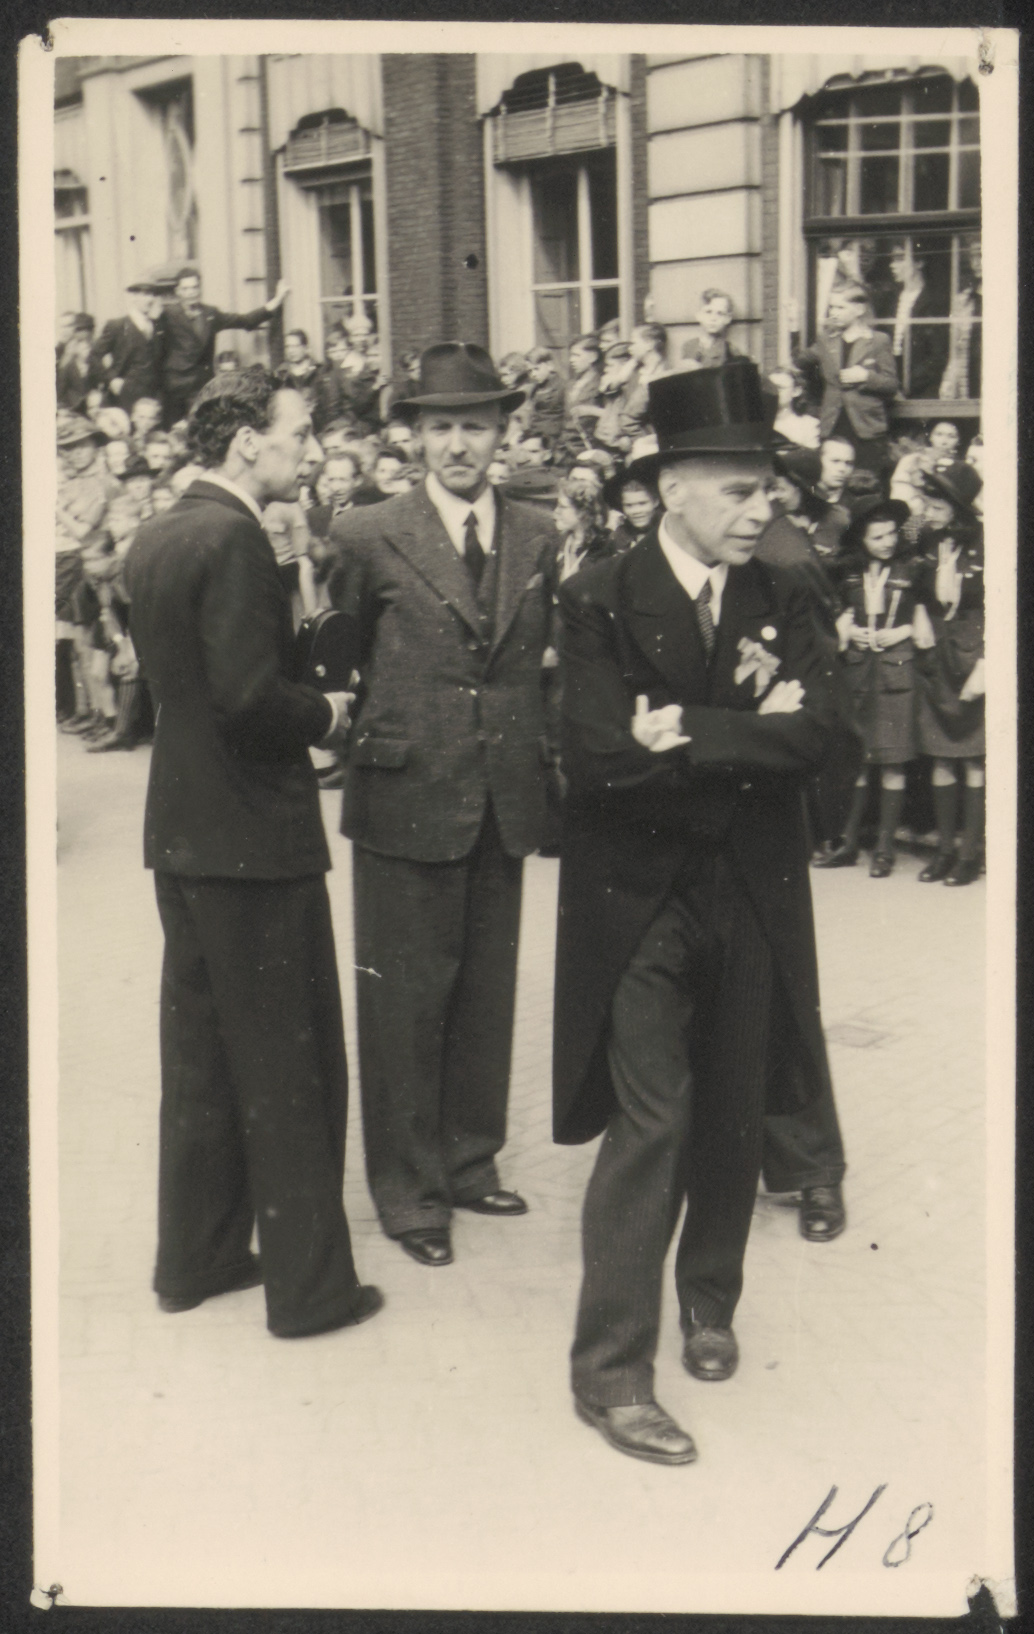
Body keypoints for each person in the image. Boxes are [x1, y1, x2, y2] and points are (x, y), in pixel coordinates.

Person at [552, 361, 858, 1464]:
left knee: (732, 1109)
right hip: (636, 904)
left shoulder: (784, 588)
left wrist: (685, 726)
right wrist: (750, 729)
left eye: (767, 487)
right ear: (671, 487)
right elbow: (595, 758)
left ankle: (709, 1303)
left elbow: (824, 735)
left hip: (752, 891)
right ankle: (610, 1374)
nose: (761, 507)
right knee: (654, 1123)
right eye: (739, 489)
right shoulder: (596, 595)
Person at [123, 365, 381, 1339]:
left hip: (182, 830)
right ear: (246, 442)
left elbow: (188, 688)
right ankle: (311, 1293)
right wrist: (328, 713)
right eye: (299, 432)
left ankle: (194, 1259)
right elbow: (247, 698)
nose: (309, 450)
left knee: (199, 1059)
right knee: (288, 1064)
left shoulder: (160, 529)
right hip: (254, 838)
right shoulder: (234, 536)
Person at [329, 342, 558, 1268]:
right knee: (404, 1006)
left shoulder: (539, 532)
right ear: (415, 438)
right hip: (404, 795)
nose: (458, 444)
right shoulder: (366, 532)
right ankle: (409, 1193)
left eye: (475, 426)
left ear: (503, 433)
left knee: (484, 994)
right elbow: (341, 657)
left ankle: (469, 1161)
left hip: (502, 797)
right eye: (441, 428)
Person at [815, 496, 919, 878]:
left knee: (893, 761)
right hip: (859, 671)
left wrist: (903, 631)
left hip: (894, 672)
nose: (888, 542)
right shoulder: (847, 573)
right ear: (861, 540)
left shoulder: (913, 568)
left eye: (891, 533)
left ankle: (885, 849)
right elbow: (834, 614)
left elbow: (929, 617)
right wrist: (849, 629)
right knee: (857, 759)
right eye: (877, 537)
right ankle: (848, 842)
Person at [912, 462, 986, 885]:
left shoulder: (987, 541)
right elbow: (917, 587)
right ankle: (944, 851)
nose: (928, 512)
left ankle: (969, 855)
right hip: (937, 651)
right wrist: (920, 612)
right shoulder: (927, 538)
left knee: (973, 758)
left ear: (957, 509)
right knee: (940, 754)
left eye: (936, 506)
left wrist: (988, 663)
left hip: (974, 652)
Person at [156, 266, 290, 427]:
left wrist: (278, 299)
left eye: (195, 287)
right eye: (185, 289)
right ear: (178, 291)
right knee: (173, 431)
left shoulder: (210, 314)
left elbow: (245, 320)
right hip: (174, 388)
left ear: (200, 289)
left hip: (200, 387)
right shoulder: (167, 315)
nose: (191, 292)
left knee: (200, 428)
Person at [794, 282, 899, 475]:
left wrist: (866, 376)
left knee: (866, 479)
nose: (834, 312)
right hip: (833, 425)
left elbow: (891, 384)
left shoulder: (878, 341)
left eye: (840, 307)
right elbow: (800, 361)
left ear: (859, 309)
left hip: (866, 428)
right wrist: (794, 328)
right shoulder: (826, 340)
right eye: (831, 307)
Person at [88, 275, 165, 411]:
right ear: (134, 297)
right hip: (125, 394)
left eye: (152, 295)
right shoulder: (117, 326)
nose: (150, 299)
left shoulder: (157, 325)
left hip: (152, 394)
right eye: (145, 294)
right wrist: (111, 379)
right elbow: (94, 356)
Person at [552, 474, 616, 582]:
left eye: (562, 507)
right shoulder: (558, 543)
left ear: (583, 512)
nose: (556, 512)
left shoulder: (604, 548)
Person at [681, 290, 743, 370]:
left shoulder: (730, 351)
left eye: (720, 313)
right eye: (708, 312)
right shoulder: (689, 346)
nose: (713, 318)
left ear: (728, 318)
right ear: (698, 315)